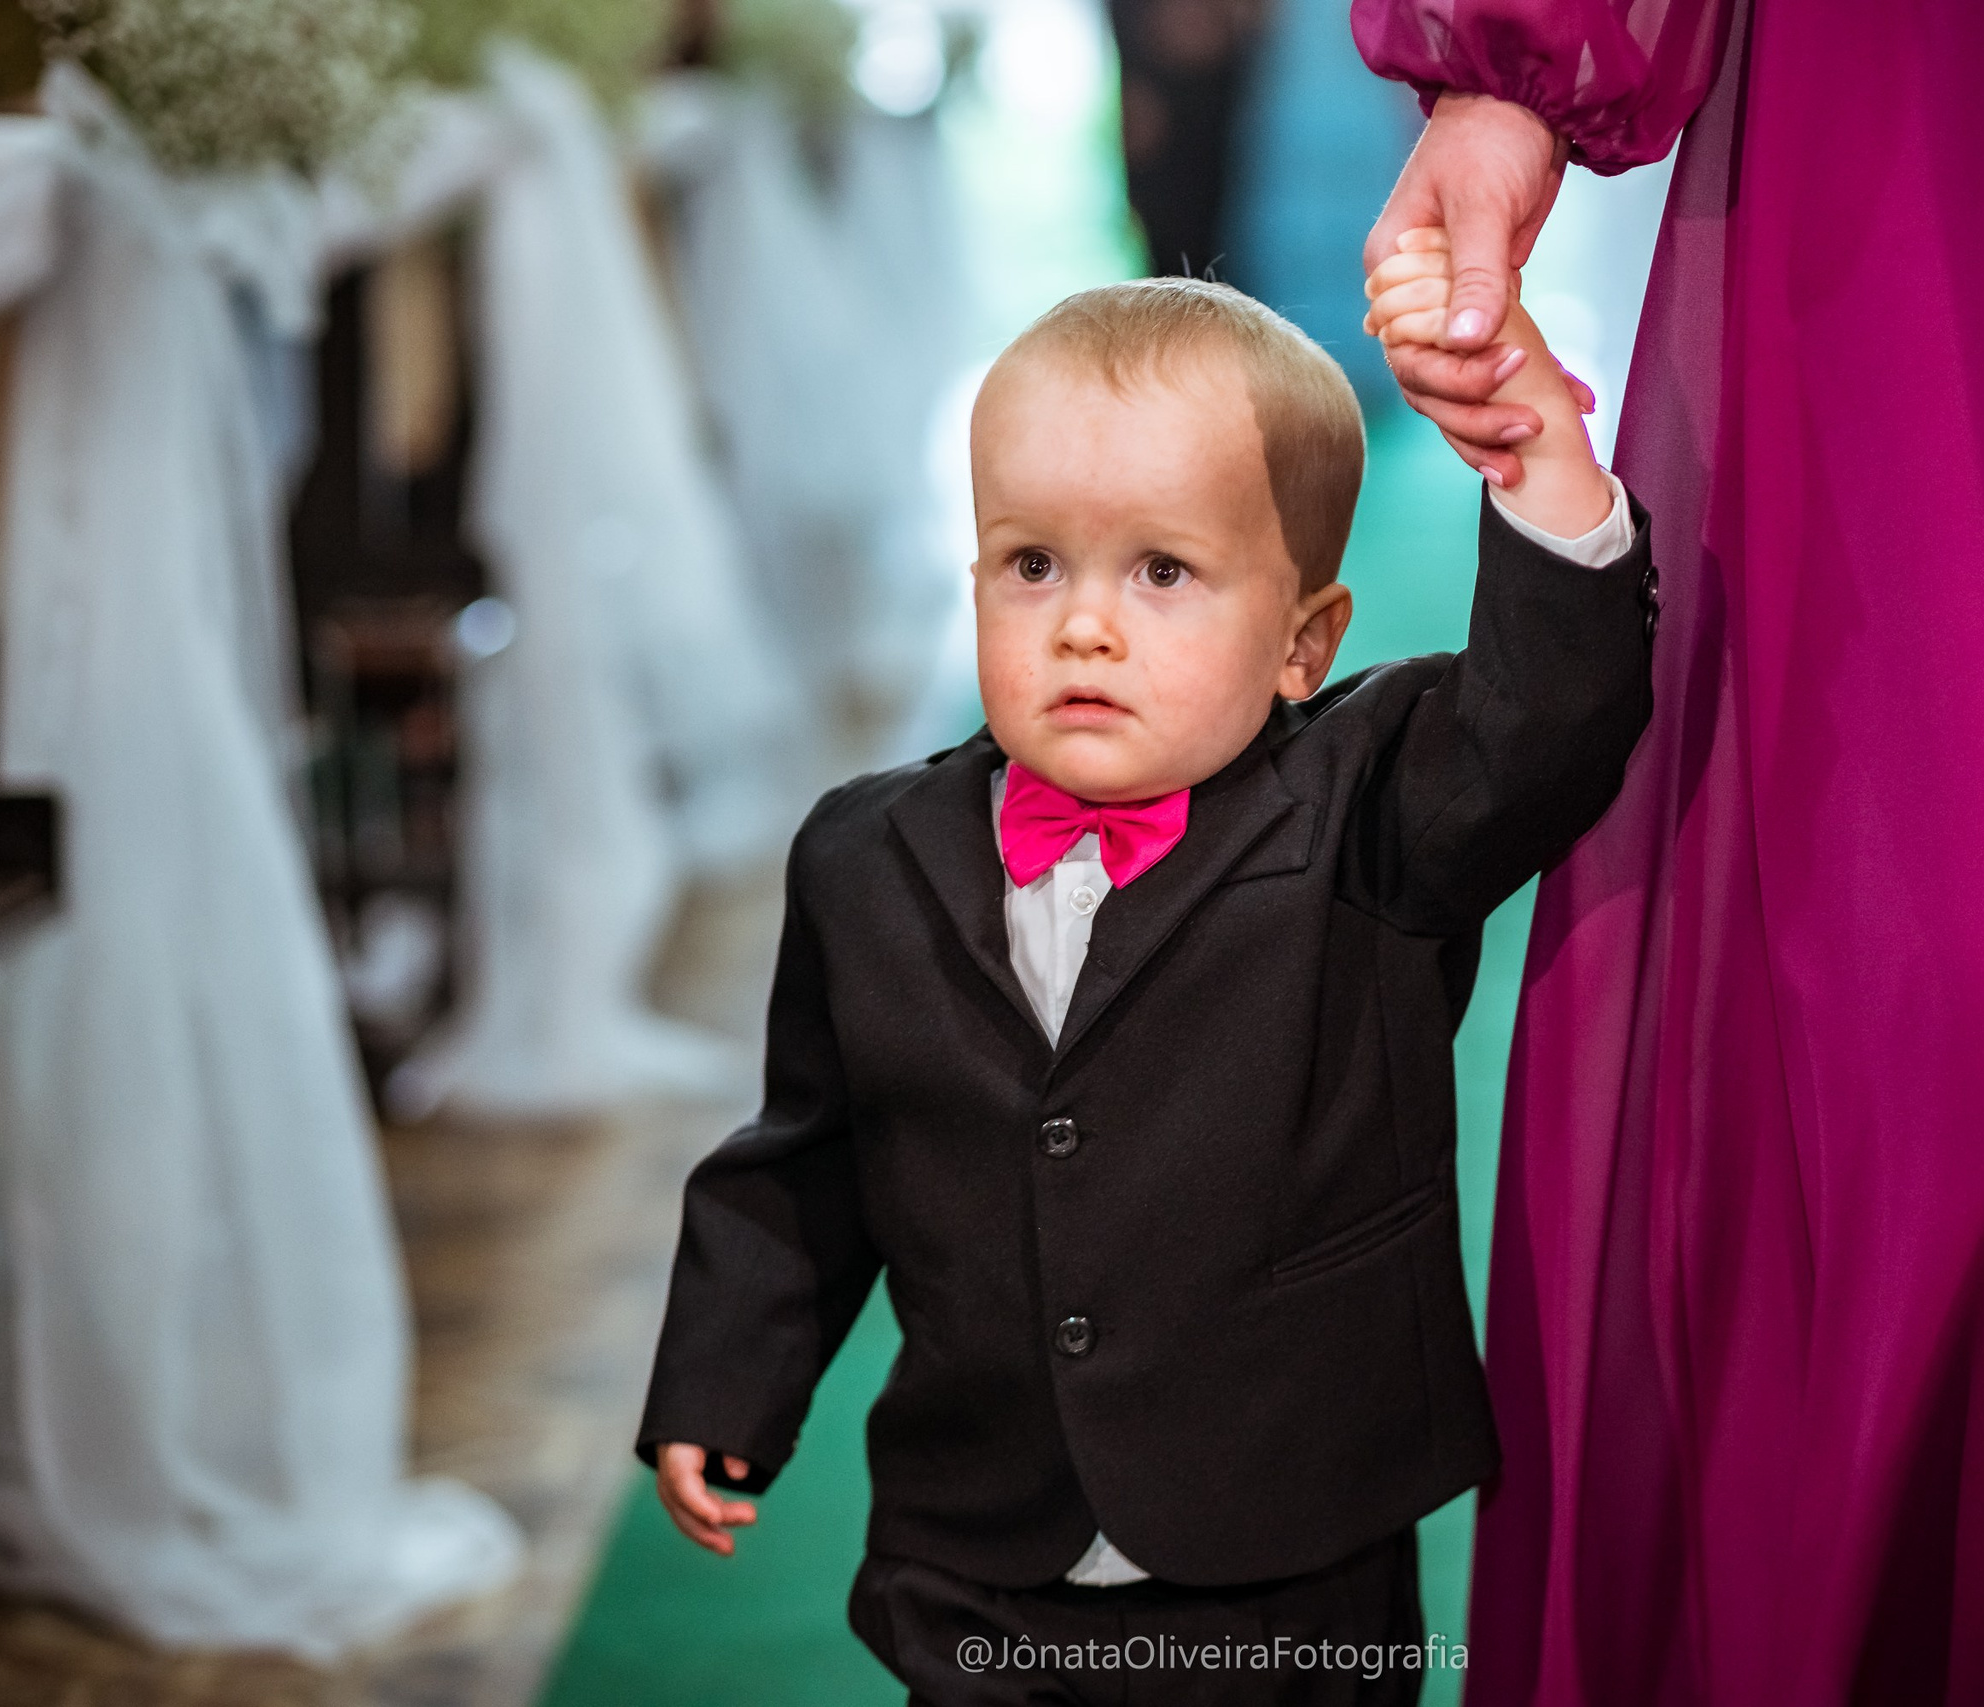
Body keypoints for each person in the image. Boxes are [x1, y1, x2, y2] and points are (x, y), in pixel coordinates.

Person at [632, 271, 1656, 1703]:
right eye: (1032, 563)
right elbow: (811, 1159)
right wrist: (726, 1383)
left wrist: (1543, 463)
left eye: (1161, 572)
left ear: (1305, 641)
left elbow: (1545, 725)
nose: (1084, 627)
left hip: (1288, 1552)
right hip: (980, 1553)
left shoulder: (1365, 812)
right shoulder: (866, 859)